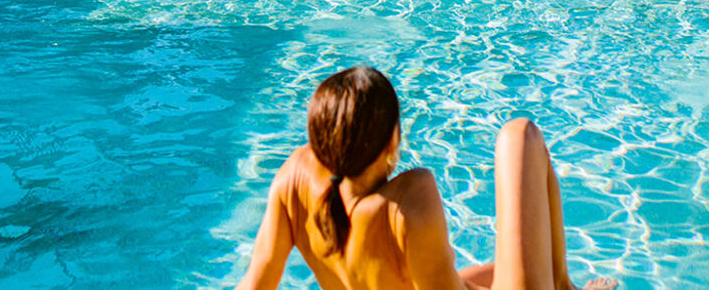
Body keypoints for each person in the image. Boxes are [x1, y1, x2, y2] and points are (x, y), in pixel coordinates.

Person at [237, 65, 617, 290]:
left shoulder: (293, 179)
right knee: (519, 137)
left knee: (493, 269)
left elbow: (256, 283)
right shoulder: (408, 200)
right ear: (391, 142)